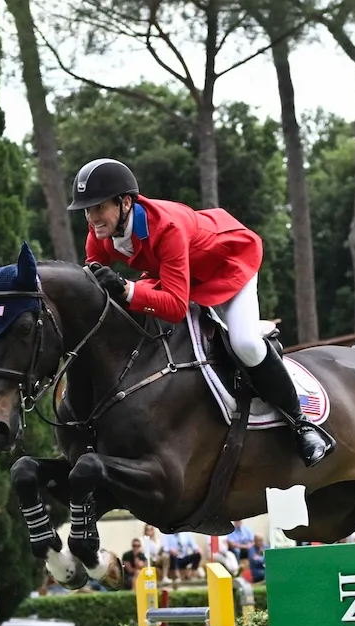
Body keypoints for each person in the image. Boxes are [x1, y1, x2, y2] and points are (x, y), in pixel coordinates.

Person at [68, 157, 333, 465]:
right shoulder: (100, 232)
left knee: (244, 343)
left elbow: (177, 307)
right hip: (179, 275)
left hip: (228, 267)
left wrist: (127, 290)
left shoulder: (166, 227)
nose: (92, 217)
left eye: (99, 207)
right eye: (87, 210)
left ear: (125, 203)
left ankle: (301, 424)